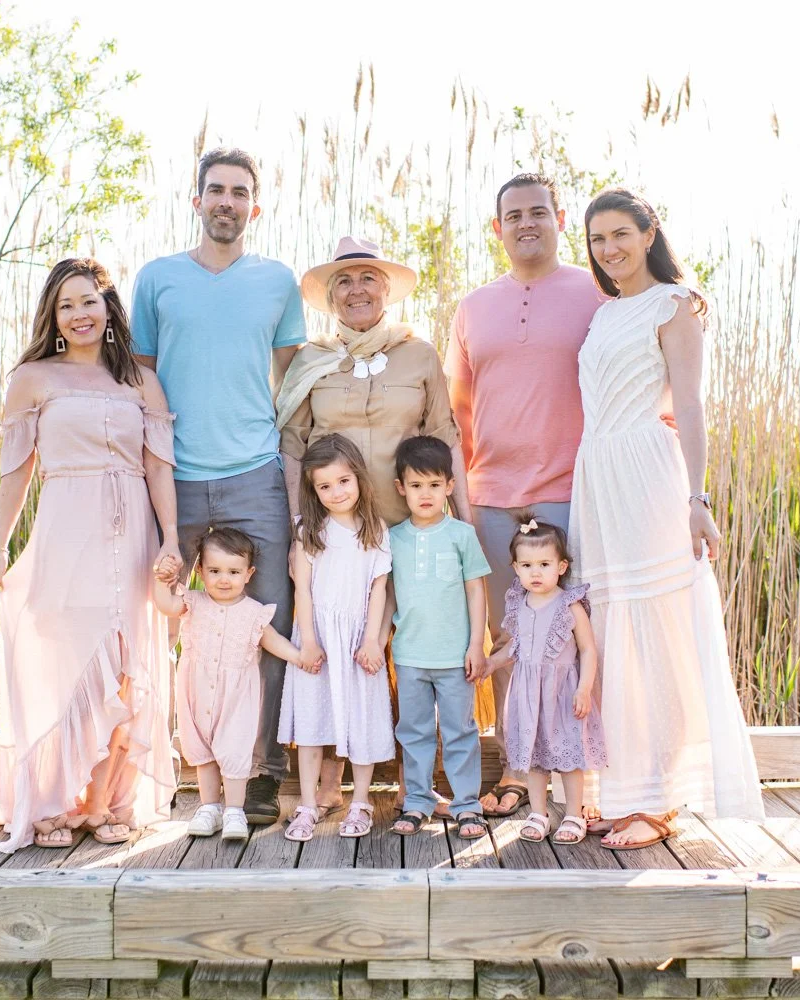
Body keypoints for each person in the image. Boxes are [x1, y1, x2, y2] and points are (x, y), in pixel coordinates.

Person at [572, 187, 765, 850]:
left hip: (650, 477)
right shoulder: (606, 314)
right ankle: (628, 790)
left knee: (657, 630)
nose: (609, 249)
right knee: (613, 627)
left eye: (621, 233)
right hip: (597, 477)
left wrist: (698, 500)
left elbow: (690, 405)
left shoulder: (675, 304)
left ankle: (660, 799)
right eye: (598, 239)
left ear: (649, 233)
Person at [131, 147, 306, 825]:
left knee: (267, 624)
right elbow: (141, 372)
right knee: (167, 617)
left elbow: (292, 378)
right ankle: (171, 764)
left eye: (240, 193)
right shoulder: (158, 279)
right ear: (196, 200)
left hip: (256, 475)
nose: (227, 202)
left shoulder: (276, 282)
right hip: (177, 481)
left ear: (253, 207)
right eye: (216, 191)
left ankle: (260, 774)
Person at [0, 258, 181, 852]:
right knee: (67, 661)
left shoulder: (140, 381)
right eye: (67, 305)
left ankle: (104, 802)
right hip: (66, 529)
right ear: (53, 316)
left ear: (108, 308)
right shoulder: (33, 378)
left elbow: (158, 467)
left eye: (89, 301)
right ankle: (53, 799)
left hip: (132, 531)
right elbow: (16, 473)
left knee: (125, 665)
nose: (80, 314)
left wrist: (171, 538)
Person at [445, 173, 604, 820]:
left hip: (569, 493)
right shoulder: (472, 307)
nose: (527, 223)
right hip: (491, 498)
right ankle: (515, 770)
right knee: (509, 640)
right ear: (497, 228)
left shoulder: (597, 295)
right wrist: (461, 498)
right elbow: (457, 411)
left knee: (568, 644)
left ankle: (581, 784)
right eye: (514, 215)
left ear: (560, 218)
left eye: (539, 211)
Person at [278, 236, 470, 528]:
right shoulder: (310, 360)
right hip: (333, 533)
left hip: (409, 529)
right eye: (343, 282)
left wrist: (466, 524)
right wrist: (298, 526)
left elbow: (446, 437)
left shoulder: (420, 354)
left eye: (368, 278)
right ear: (331, 297)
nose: (356, 290)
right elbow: (292, 446)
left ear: (385, 289)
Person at [152, 527, 304, 842]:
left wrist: (300, 658)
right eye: (215, 571)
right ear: (200, 571)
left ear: (249, 574)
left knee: (234, 749)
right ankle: (209, 807)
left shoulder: (253, 612)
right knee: (202, 750)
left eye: (234, 572)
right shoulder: (192, 602)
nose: (224, 579)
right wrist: (160, 581)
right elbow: (166, 606)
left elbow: (272, 640)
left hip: (237, 696)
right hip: (196, 690)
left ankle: (234, 809)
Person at [278, 434, 394, 842]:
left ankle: (360, 800)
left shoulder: (375, 529)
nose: (335, 492)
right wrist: (308, 641)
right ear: (313, 490)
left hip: (358, 639)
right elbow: (303, 591)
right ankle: (307, 804)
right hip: (319, 637)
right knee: (311, 722)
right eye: (324, 486)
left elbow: (378, 590)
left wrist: (372, 642)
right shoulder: (310, 530)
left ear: (359, 477)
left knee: (362, 718)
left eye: (343, 481)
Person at [386, 435, 490, 841]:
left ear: (449, 485)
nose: (425, 494)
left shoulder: (461, 534)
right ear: (401, 488)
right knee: (413, 730)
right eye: (415, 485)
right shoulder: (394, 538)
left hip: (454, 657)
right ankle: (417, 801)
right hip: (410, 654)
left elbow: (476, 590)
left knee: (460, 730)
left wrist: (474, 645)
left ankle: (467, 805)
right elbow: (389, 592)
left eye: (434, 485)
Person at [497, 516, 605, 845]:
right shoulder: (518, 603)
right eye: (527, 565)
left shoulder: (569, 605)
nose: (535, 572)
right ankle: (538, 813)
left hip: (563, 693)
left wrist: (585, 688)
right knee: (534, 754)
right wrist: (490, 664)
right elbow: (515, 646)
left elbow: (587, 650)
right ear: (516, 568)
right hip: (528, 693)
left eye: (544, 564)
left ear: (561, 566)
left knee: (569, 755)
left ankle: (573, 813)